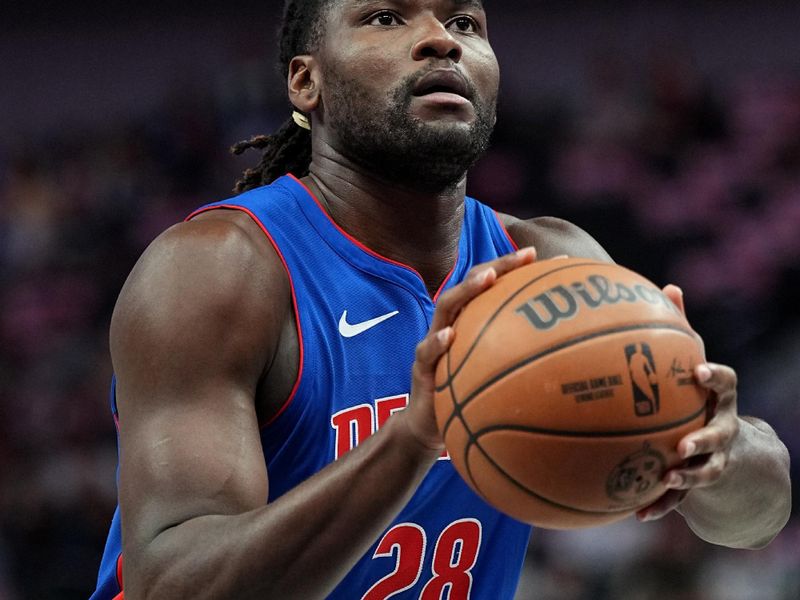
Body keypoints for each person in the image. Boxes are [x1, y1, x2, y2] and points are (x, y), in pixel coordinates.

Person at [91, 1, 791, 598]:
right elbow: (172, 582)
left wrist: (717, 446)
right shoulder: (218, 270)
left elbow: (756, 517)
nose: (440, 38)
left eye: (465, 20)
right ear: (308, 82)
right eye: (386, 17)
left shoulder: (550, 265)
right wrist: (414, 438)